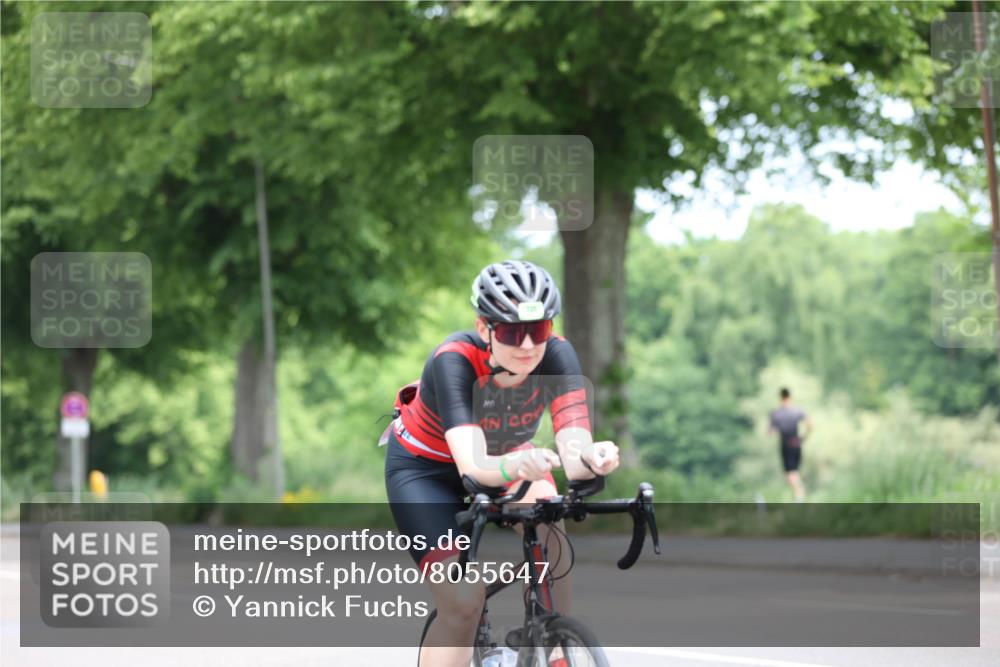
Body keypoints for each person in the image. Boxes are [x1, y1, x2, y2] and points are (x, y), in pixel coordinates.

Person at [383, 259, 621, 667]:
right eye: (512, 332)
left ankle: (557, 640)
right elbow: (474, 469)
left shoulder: (558, 356)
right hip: (427, 471)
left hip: (511, 457)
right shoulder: (453, 359)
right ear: (484, 329)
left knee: (549, 515)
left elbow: (574, 448)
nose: (528, 345)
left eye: (539, 330)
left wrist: (592, 458)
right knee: (462, 603)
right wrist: (518, 467)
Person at [768, 387, 813, 501]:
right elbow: (810, 424)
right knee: (795, 472)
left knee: (791, 474)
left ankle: (800, 496)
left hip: (786, 445)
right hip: (797, 443)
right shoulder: (797, 411)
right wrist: (803, 438)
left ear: (780, 398)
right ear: (790, 397)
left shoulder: (776, 414)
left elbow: (770, 432)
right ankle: (799, 495)